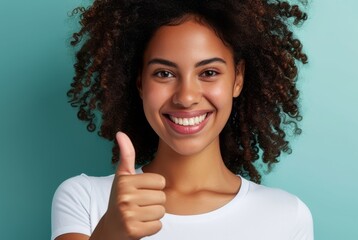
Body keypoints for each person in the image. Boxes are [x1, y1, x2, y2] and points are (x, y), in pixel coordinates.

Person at [51, 0, 313, 239]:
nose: (186, 97)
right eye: (164, 73)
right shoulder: (86, 199)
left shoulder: (287, 215)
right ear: (140, 82)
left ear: (238, 79)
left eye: (209, 72)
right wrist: (109, 234)